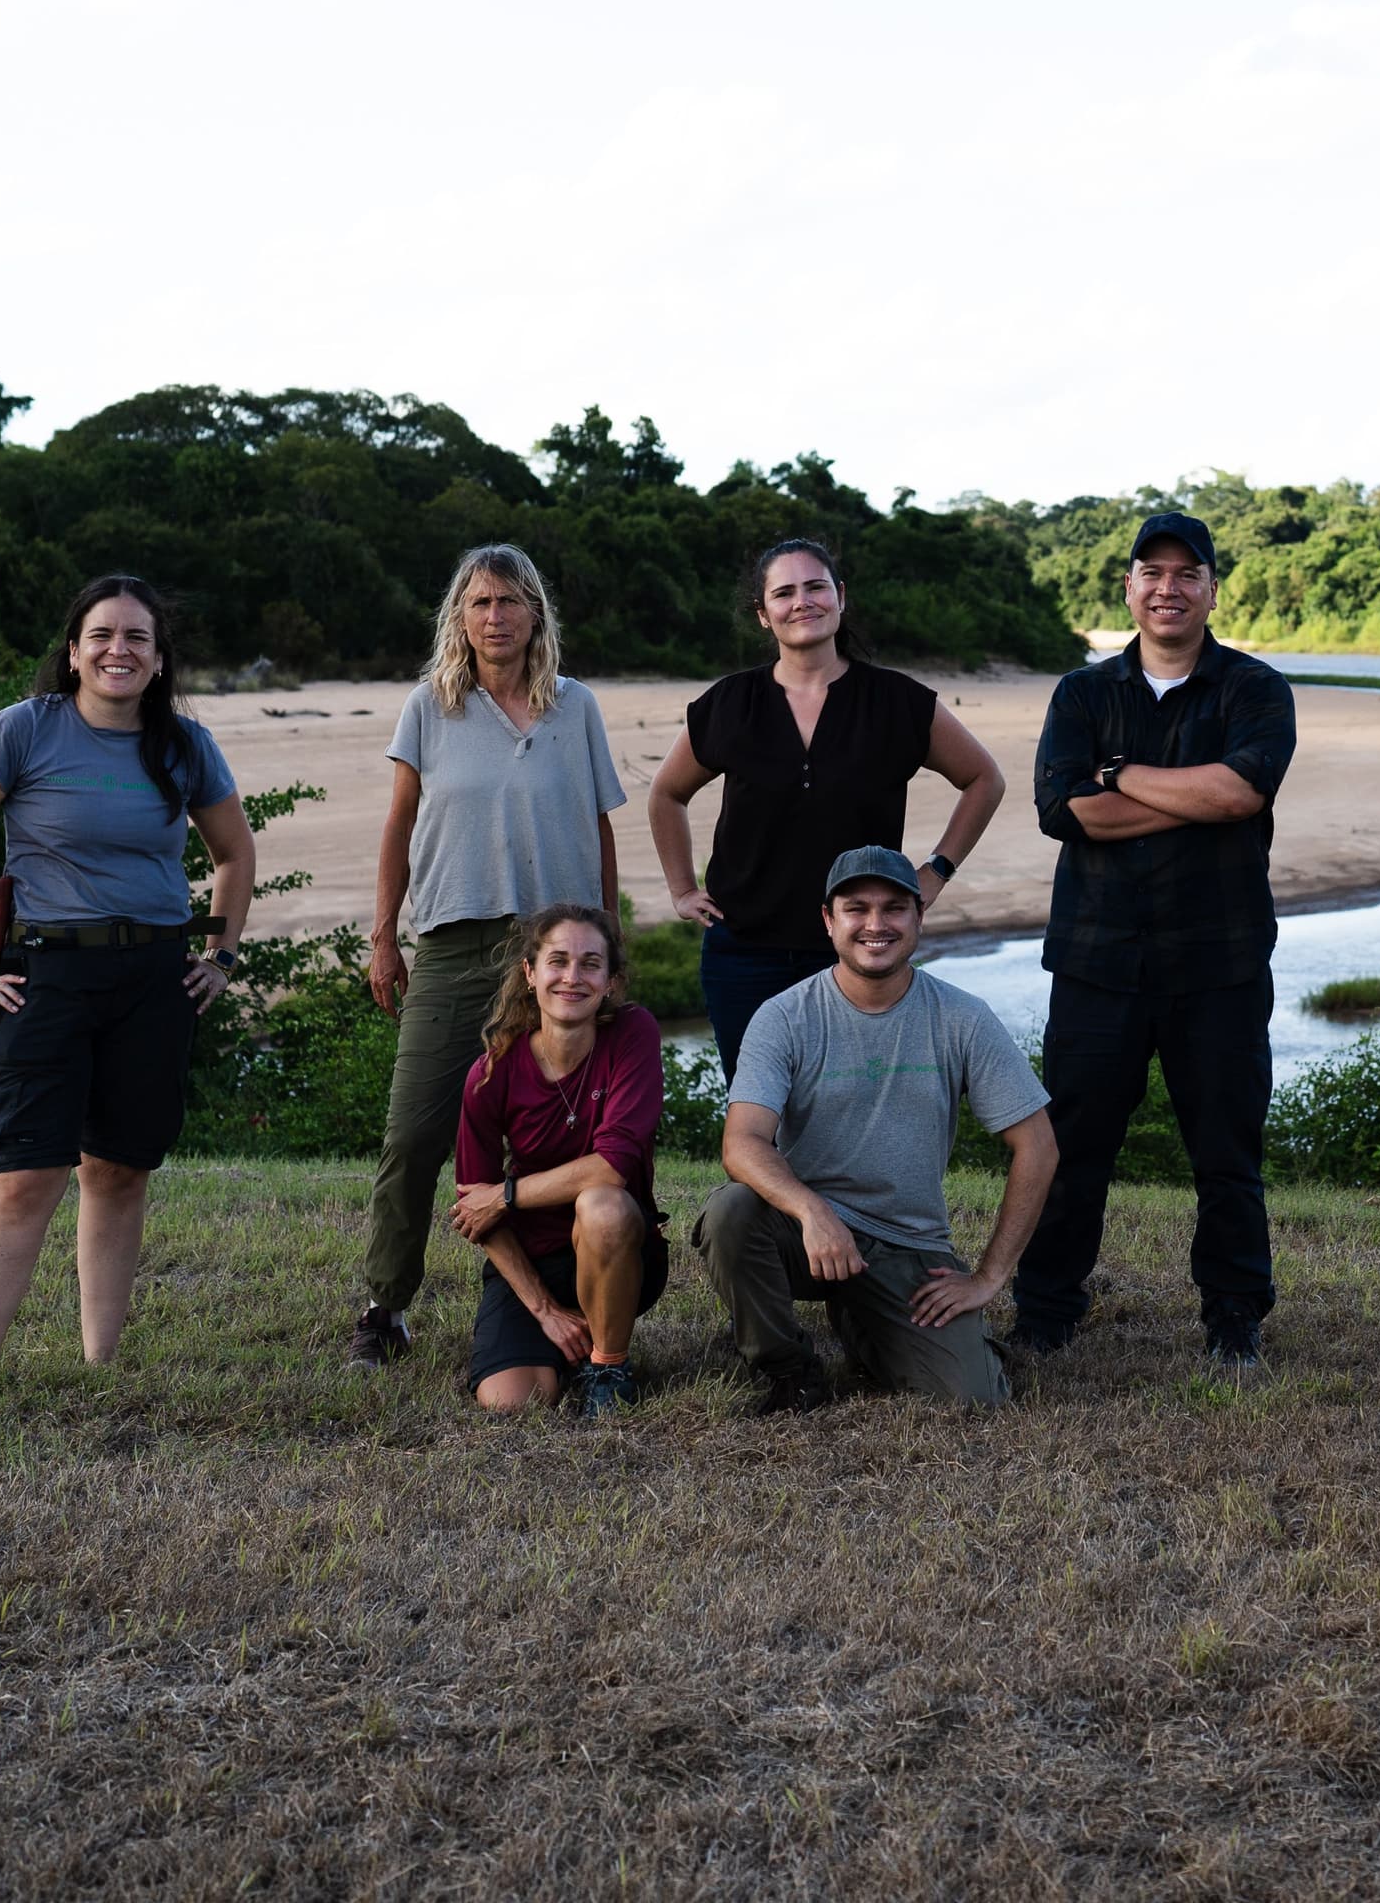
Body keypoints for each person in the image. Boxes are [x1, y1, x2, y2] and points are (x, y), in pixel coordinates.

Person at [0, 574, 253, 1423]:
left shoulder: (183, 745)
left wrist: (223, 956)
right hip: (47, 977)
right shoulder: (24, 730)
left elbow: (234, 856)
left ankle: (101, 1361)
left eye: (138, 637)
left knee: (120, 1169)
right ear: (72, 651)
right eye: (102, 635)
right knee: (23, 1178)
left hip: (152, 978)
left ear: (159, 657)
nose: (118, 650)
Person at [1009, 511, 1297, 1368]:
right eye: (1152, 573)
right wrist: (1184, 795)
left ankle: (1234, 1317)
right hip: (1099, 959)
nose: (1168, 588)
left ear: (1212, 589)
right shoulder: (1082, 694)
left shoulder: (1255, 689)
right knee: (1071, 1149)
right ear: (1128, 587)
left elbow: (1242, 794)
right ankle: (1048, 1310)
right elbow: (1062, 811)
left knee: (1227, 1151)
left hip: (1222, 959)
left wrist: (1118, 774)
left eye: (1187, 574)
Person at [348, 543, 629, 1369]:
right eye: (479, 603)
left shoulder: (575, 708)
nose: (495, 617)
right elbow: (399, 825)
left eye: (509, 601)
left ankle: (550, 1296)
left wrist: (609, 942)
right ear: (458, 617)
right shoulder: (430, 707)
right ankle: (384, 1306)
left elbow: (602, 825)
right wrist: (382, 937)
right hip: (451, 940)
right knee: (415, 1134)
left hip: (557, 954)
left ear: (536, 611)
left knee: (555, 1138)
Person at [694, 848, 1058, 1410]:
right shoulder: (784, 1015)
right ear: (828, 921)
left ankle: (866, 1322)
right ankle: (788, 1368)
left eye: (894, 908)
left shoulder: (962, 1017)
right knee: (730, 1213)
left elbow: (1038, 1146)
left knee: (973, 1399)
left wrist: (989, 1277)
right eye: (856, 908)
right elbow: (741, 1143)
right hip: (803, 1233)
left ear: (918, 917)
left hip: (907, 1244)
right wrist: (813, 1212)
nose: (875, 924)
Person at [645, 535, 1009, 1066]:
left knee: (852, 1115)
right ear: (764, 614)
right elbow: (666, 794)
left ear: (840, 596)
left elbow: (984, 779)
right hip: (745, 952)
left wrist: (934, 873)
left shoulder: (898, 702)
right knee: (757, 1114)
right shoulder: (728, 703)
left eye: (816, 587)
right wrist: (681, 889)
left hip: (863, 947)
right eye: (784, 593)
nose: (802, 602)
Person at [444, 904, 668, 1420]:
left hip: (621, 1246)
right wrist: (544, 1311)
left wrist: (505, 1194)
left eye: (591, 964)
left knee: (603, 1204)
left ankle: (608, 1367)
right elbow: (474, 1213)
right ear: (530, 973)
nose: (572, 977)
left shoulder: (633, 1034)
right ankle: (566, 1342)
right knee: (512, 1403)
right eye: (558, 961)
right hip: (532, 1260)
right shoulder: (489, 1073)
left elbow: (610, 1168)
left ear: (611, 981)